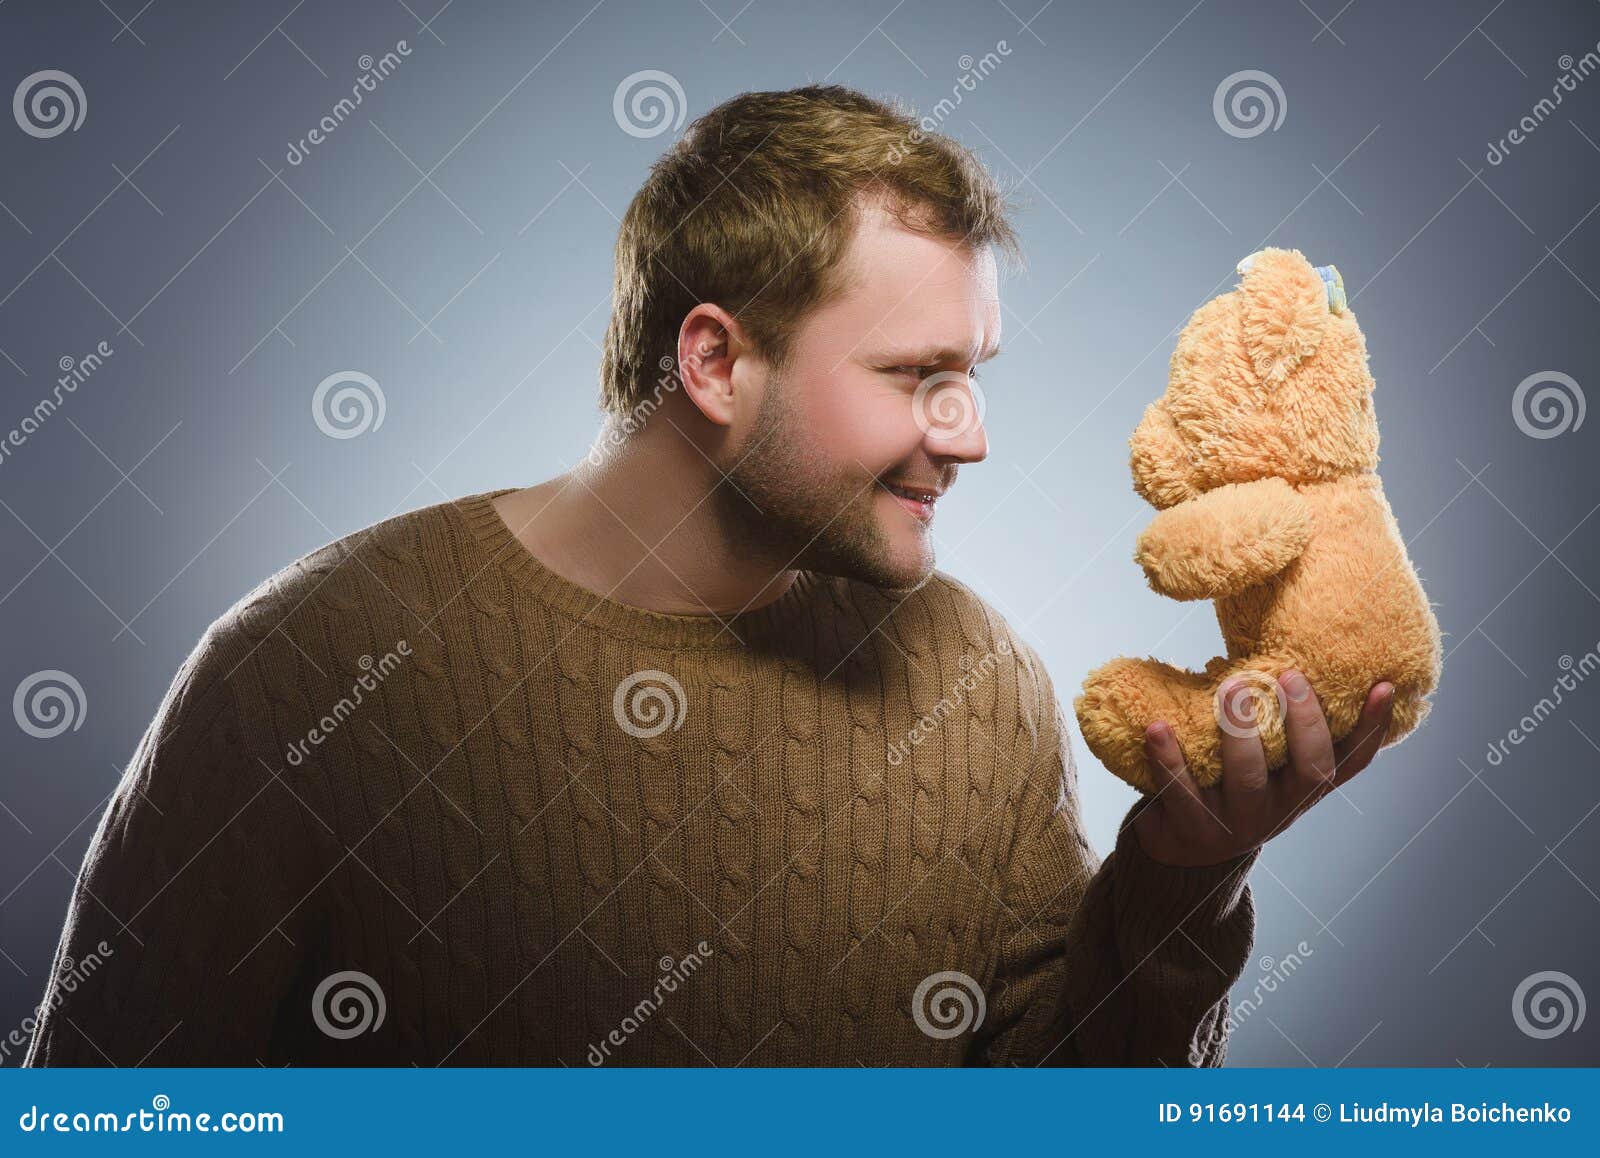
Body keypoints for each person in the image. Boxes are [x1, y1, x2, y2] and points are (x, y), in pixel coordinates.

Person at [25, 84, 1392, 1067]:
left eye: (973, 377)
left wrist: (1179, 874)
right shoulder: (314, 668)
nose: (971, 437)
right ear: (715, 363)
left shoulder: (976, 683)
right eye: (921, 377)